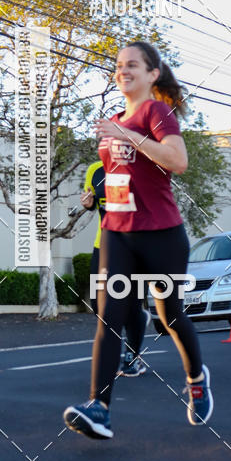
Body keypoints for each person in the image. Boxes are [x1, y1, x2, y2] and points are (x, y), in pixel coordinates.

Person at [64, 41, 212, 439]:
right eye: (119, 65)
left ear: (152, 74)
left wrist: (127, 134)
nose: (123, 70)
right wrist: (96, 197)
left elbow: (177, 160)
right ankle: (100, 408)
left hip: (161, 234)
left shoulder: (155, 111)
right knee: (108, 318)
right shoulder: (115, 118)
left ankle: (197, 379)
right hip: (118, 234)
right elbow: (119, 179)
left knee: (170, 316)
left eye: (133, 65)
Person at [81, 160, 150, 377]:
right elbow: (92, 200)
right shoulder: (94, 169)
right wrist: (88, 202)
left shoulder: (141, 166)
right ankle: (137, 318)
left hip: (136, 244)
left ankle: (132, 357)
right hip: (104, 245)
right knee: (98, 305)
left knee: (131, 304)